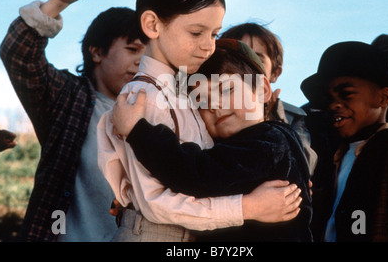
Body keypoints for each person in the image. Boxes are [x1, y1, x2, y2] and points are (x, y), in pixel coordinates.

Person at [98, 0, 303, 242]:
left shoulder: (186, 88)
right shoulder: (143, 98)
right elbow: (157, 203)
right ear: (153, 25)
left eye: (215, 34)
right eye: (197, 33)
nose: (208, 46)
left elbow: (214, 164)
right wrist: (247, 207)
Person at [111, 39, 313, 241]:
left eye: (226, 90)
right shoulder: (266, 141)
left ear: (263, 90)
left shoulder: (268, 142)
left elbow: (195, 174)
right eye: (200, 100)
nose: (215, 105)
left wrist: (138, 132)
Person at [0, 0, 145, 241]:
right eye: (133, 49)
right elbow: (18, 54)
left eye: (147, 56)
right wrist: (57, 3)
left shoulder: (153, 115)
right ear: (97, 53)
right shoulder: (67, 98)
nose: (141, 62)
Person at [300, 41, 388, 242]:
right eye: (328, 98)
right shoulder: (333, 155)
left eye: (346, 94)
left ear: (383, 98)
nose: (334, 104)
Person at [220, 23, 317, 175]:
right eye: (237, 58)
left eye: (257, 59)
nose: (246, 66)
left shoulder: (292, 117)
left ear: (274, 73)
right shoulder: (212, 107)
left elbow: (304, 166)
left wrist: (267, 119)